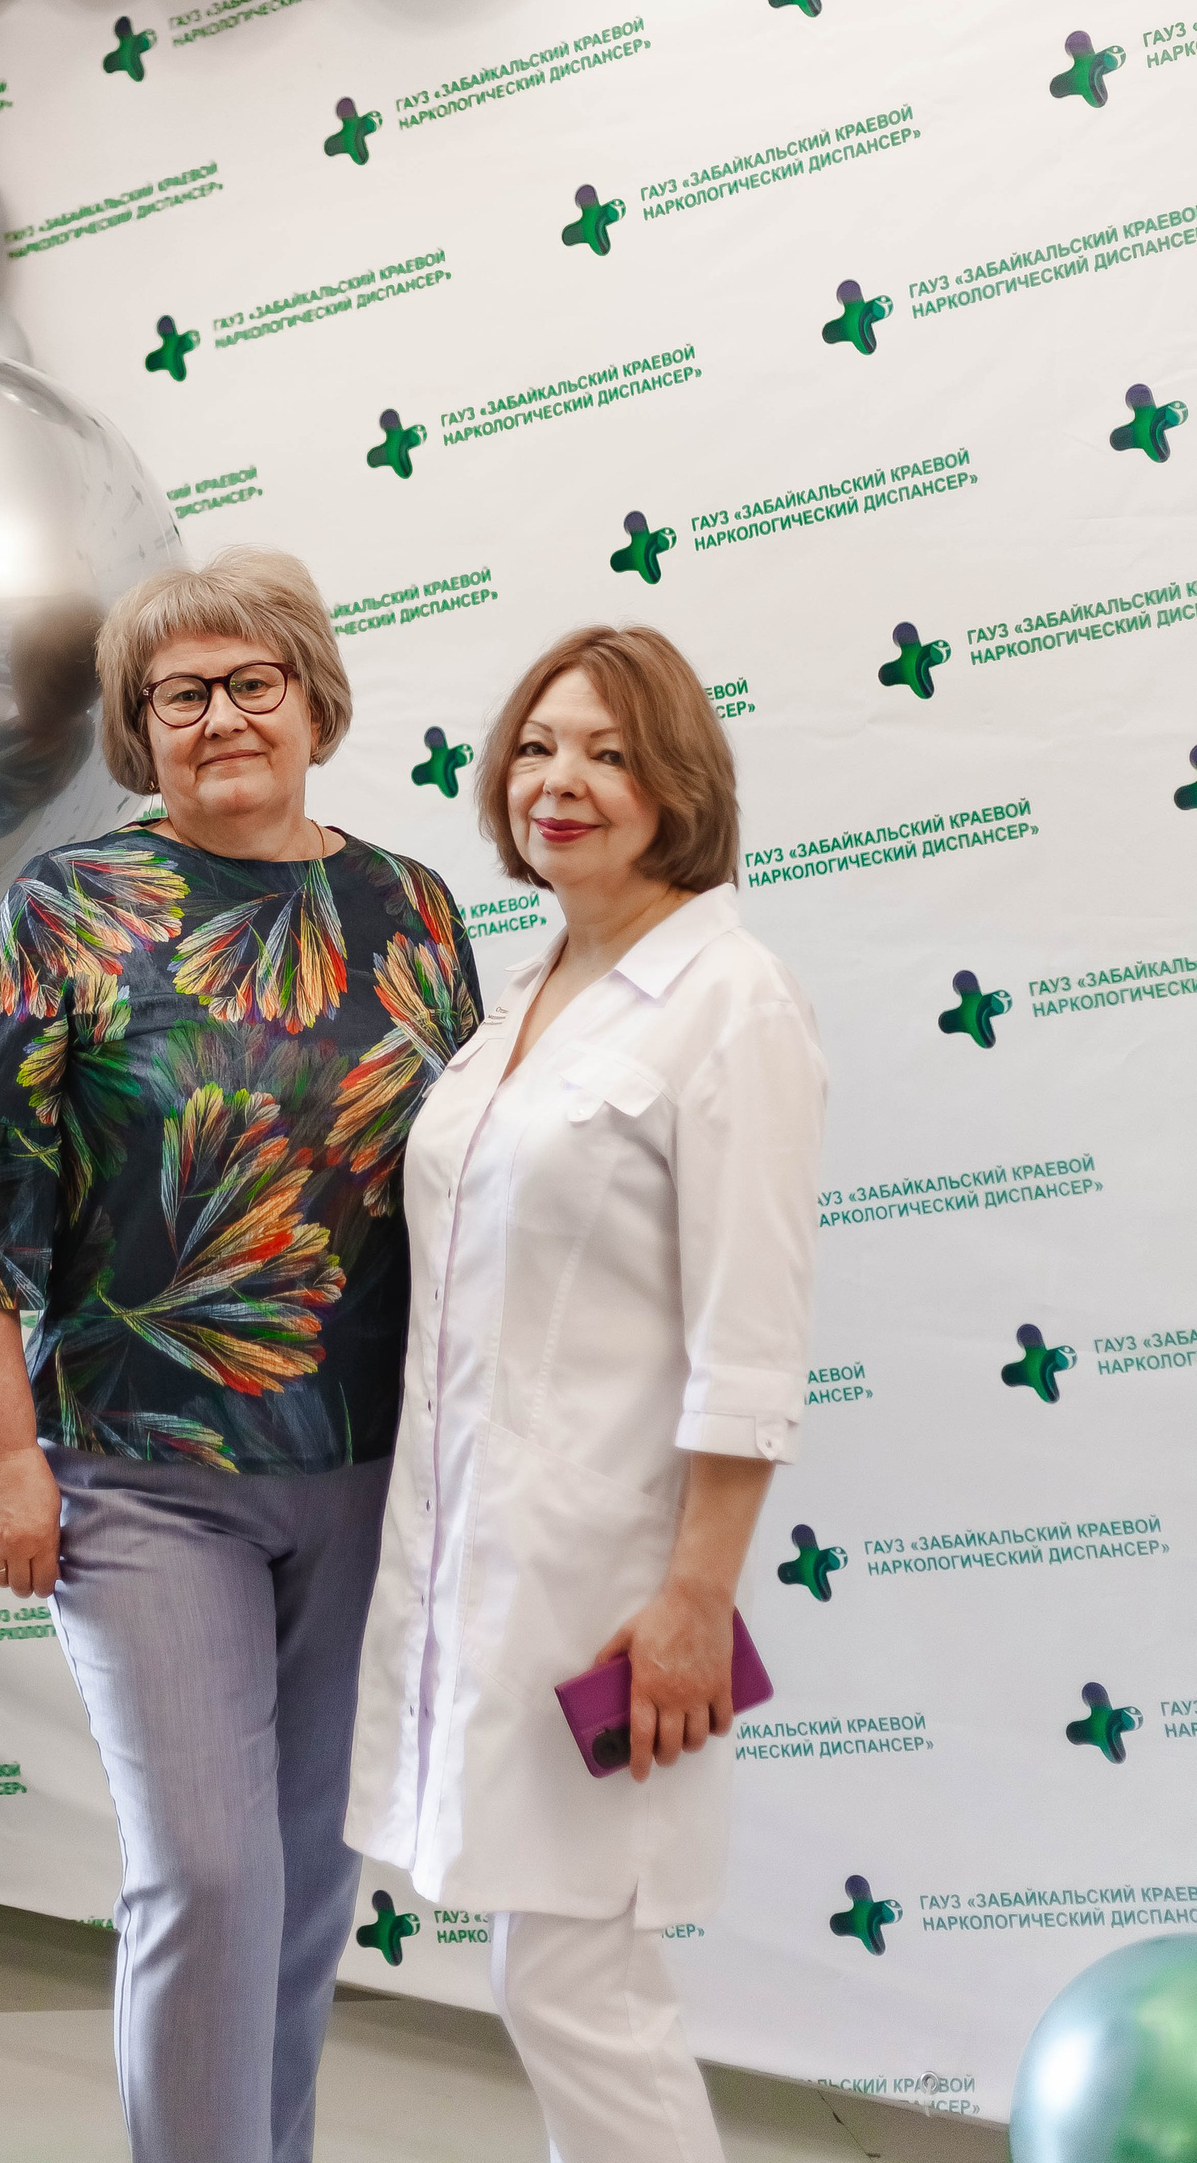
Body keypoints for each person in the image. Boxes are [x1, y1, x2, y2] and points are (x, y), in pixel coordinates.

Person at [0, 548, 481, 2163]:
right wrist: (1, 1455)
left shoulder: (416, 910)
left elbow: (467, 1184)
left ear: (313, 702)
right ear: (141, 734)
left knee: (305, 1876)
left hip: (369, 1471)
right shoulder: (67, 909)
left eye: (251, 684)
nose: (220, 718)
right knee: (207, 1876)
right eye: (178, 696)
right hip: (137, 1468)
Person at [347, 624, 825, 2163]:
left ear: (677, 785)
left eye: (610, 753)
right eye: (540, 747)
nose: (562, 780)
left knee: (575, 1980)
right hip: (482, 1564)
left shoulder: (730, 1000)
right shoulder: (528, 991)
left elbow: (751, 1337)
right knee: (553, 1972)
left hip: (614, 1588)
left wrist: (695, 1600)